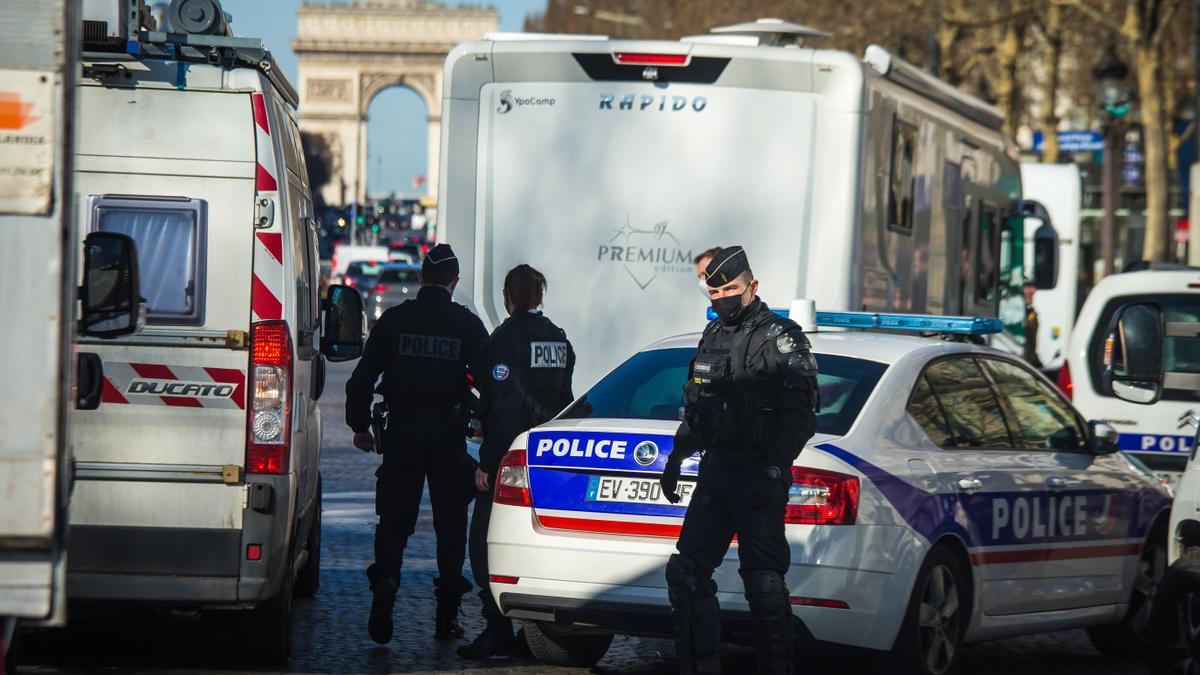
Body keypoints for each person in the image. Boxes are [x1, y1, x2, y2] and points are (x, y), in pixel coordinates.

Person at [659, 246, 819, 674]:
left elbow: (801, 417)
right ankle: (700, 664)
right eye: (716, 292)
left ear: (753, 285)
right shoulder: (712, 337)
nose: (724, 298)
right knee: (686, 573)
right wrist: (678, 454)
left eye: (732, 288)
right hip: (716, 473)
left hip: (758, 475)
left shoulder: (781, 337)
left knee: (763, 582)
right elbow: (697, 406)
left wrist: (774, 466)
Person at [345, 243, 489, 645]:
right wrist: (485, 429)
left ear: (421, 277)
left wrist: (359, 426)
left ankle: (387, 584)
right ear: (454, 283)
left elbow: (360, 382)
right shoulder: (466, 324)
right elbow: (490, 383)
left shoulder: (394, 321)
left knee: (394, 520)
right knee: (450, 524)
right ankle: (446, 617)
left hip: (402, 434)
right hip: (447, 437)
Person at [459, 264, 576, 659]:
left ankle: (496, 630)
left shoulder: (507, 339)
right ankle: (533, 632)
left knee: (483, 548)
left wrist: (488, 464)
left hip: (512, 459)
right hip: (547, 456)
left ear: (509, 296)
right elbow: (566, 397)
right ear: (539, 296)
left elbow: (506, 405)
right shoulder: (557, 338)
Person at [1023, 279, 1043, 368]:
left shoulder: (1031, 312)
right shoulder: (1009, 314)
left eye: (1033, 287)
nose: (1033, 290)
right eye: (1027, 287)